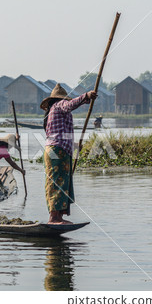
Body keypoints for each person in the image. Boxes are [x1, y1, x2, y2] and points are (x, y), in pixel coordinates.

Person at [41, 83, 97, 224]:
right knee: (57, 182)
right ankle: (54, 218)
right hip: (57, 151)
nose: (65, 102)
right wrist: (86, 96)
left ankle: (58, 217)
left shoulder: (54, 111)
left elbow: (59, 134)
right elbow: (70, 105)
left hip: (59, 149)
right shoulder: (59, 105)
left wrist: (74, 145)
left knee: (62, 182)